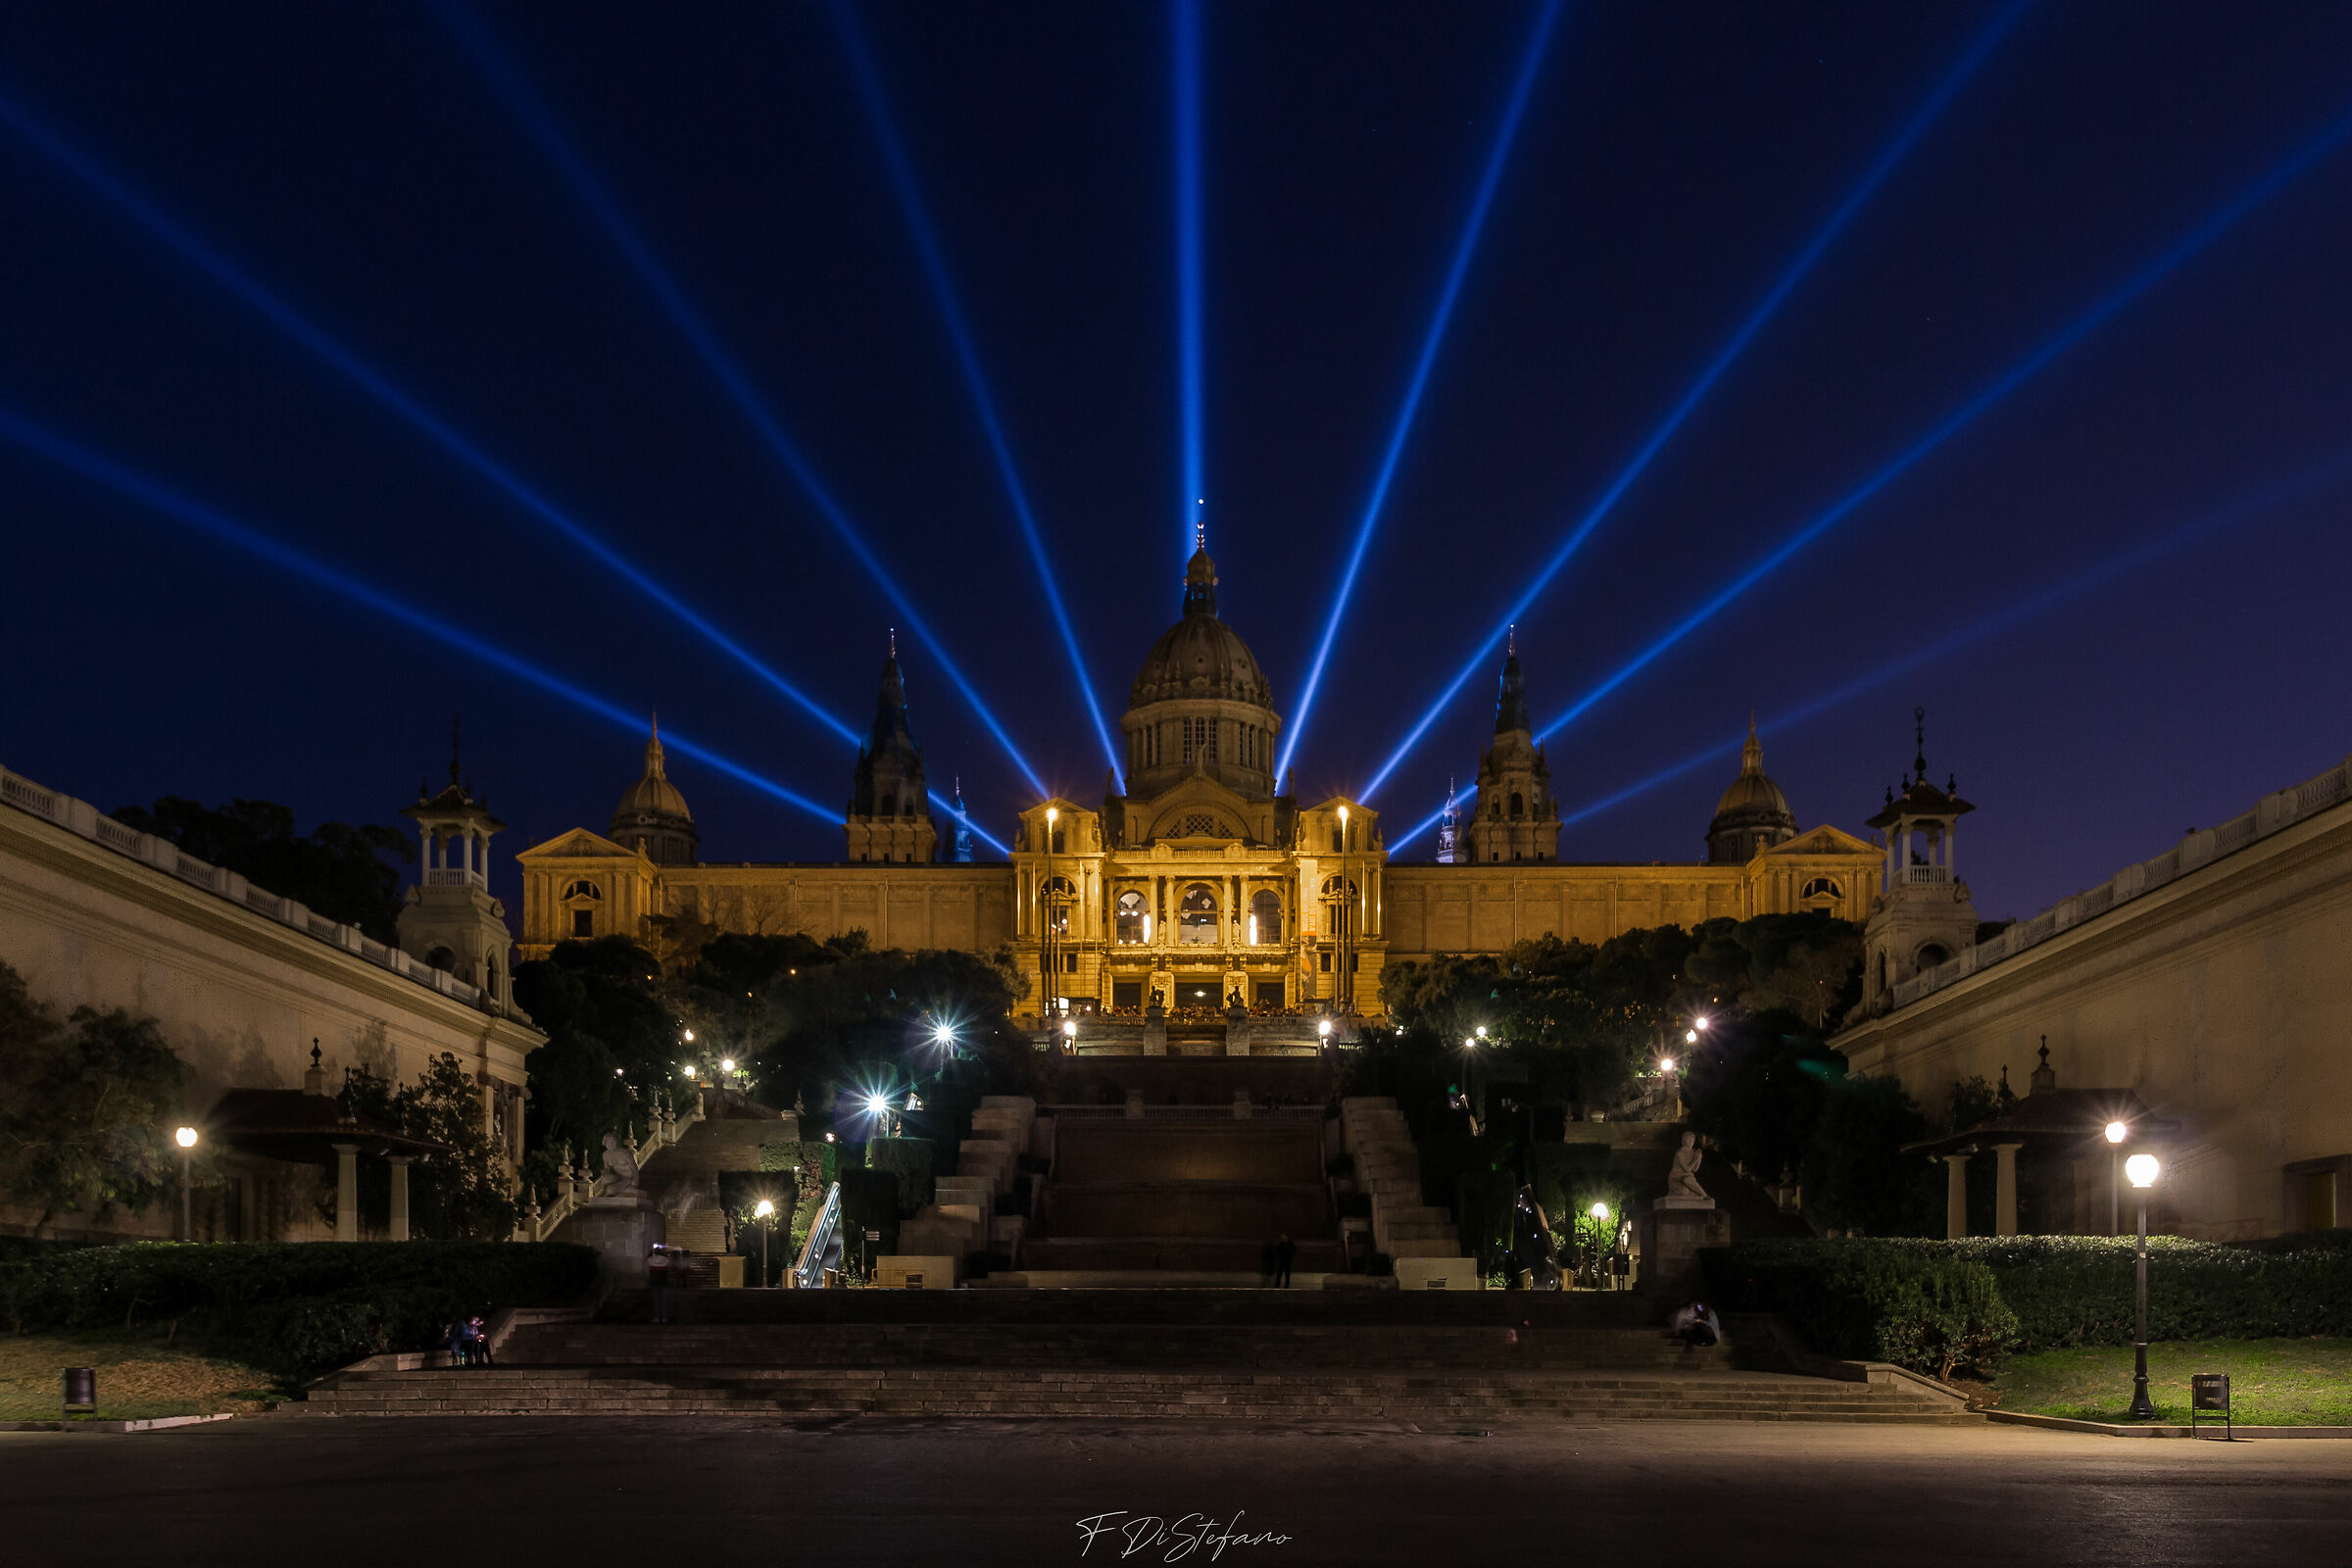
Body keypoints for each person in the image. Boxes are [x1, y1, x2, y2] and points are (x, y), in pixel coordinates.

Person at [647, 1242, 672, 1324]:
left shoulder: (651, 1260)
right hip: (663, 1283)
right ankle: (664, 1318)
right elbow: (668, 1259)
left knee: (656, 1301)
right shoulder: (666, 1260)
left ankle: (656, 1318)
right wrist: (663, 1253)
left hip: (654, 1283)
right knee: (664, 1301)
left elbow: (648, 1257)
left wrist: (651, 1250)